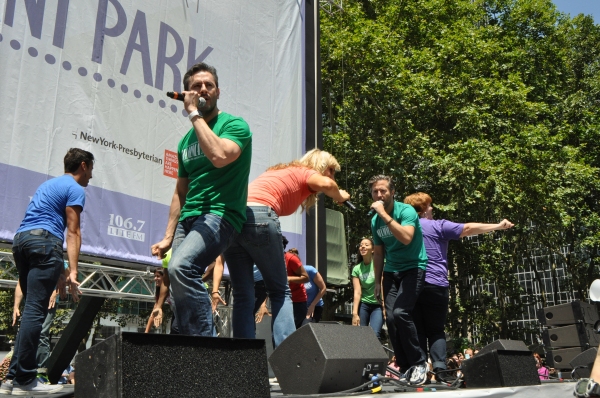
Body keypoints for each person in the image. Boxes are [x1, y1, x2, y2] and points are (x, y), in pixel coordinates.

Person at [150, 62, 252, 336]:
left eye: (208, 85)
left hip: (220, 214)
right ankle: (186, 345)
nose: (203, 89)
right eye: (196, 86)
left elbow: (220, 156)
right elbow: (180, 192)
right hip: (188, 218)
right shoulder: (186, 141)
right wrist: (168, 236)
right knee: (175, 273)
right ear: (187, 91)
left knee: (183, 266)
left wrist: (193, 113)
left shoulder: (235, 125)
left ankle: (204, 349)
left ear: (217, 92)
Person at [222, 149, 350, 347]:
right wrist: (339, 195)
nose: (333, 176)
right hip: (260, 217)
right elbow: (327, 184)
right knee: (280, 291)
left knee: (243, 295)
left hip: (232, 220)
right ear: (321, 167)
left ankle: (243, 359)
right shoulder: (307, 173)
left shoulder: (282, 172)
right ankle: (290, 360)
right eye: (331, 170)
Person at [2, 148, 90, 395]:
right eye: (90, 170)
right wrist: (73, 271)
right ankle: (25, 381)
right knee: (34, 313)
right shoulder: (75, 188)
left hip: (21, 242)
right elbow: (73, 232)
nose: (90, 177)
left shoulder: (48, 185)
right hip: (43, 243)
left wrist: (60, 273)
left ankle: (12, 378)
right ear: (83, 166)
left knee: (30, 311)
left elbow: (41, 228)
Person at [403, 192, 514, 378]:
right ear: (422, 210)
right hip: (436, 284)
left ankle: (420, 369)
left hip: (413, 283)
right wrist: (498, 226)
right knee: (436, 330)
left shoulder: (404, 229)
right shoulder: (438, 226)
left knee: (418, 330)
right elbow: (469, 228)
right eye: (429, 206)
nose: (432, 209)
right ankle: (439, 368)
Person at [369, 175, 429, 385]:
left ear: (392, 192)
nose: (379, 195)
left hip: (414, 267)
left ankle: (420, 363)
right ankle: (405, 367)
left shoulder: (406, 211)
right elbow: (378, 252)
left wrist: (384, 214)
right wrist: (377, 281)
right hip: (391, 271)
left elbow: (406, 237)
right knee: (391, 319)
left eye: (383, 191)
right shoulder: (374, 220)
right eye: (375, 191)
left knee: (401, 312)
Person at [351, 238, 383, 339]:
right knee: (360, 336)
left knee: (375, 335)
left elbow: (383, 285)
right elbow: (357, 292)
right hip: (364, 305)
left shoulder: (379, 264)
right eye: (361, 245)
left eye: (366, 245)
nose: (363, 247)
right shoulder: (357, 269)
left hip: (378, 306)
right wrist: (355, 313)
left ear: (373, 249)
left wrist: (386, 307)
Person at [286, 248, 309, 329]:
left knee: (292, 331)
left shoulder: (291, 259)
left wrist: (287, 279)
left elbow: (306, 278)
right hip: (282, 301)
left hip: (297, 302)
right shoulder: (272, 259)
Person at [145, 268, 166, 333]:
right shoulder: (159, 291)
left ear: (165, 277)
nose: (155, 279)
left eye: (158, 276)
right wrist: (146, 332)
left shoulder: (172, 288)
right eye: (155, 276)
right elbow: (154, 312)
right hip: (176, 312)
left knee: (176, 328)